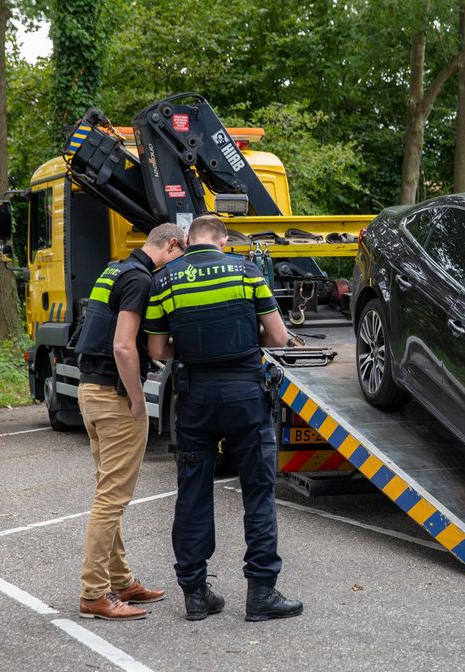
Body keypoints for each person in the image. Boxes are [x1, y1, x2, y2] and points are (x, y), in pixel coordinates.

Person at [144, 215, 302, 622]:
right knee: (258, 493)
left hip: (195, 397)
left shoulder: (166, 279)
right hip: (245, 395)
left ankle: (196, 595)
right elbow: (280, 338)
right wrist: (245, 340)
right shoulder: (247, 272)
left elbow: (159, 351)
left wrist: (197, 350)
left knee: (193, 493)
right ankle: (261, 595)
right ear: (223, 240)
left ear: (186, 240)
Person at [76, 222, 185, 621]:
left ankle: (121, 581)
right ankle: (94, 593)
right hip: (114, 397)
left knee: (109, 491)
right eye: (179, 256)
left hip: (90, 391)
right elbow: (123, 345)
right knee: (111, 500)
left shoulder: (115, 270)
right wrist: (139, 400)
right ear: (171, 245)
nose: (177, 267)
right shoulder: (140, 280)